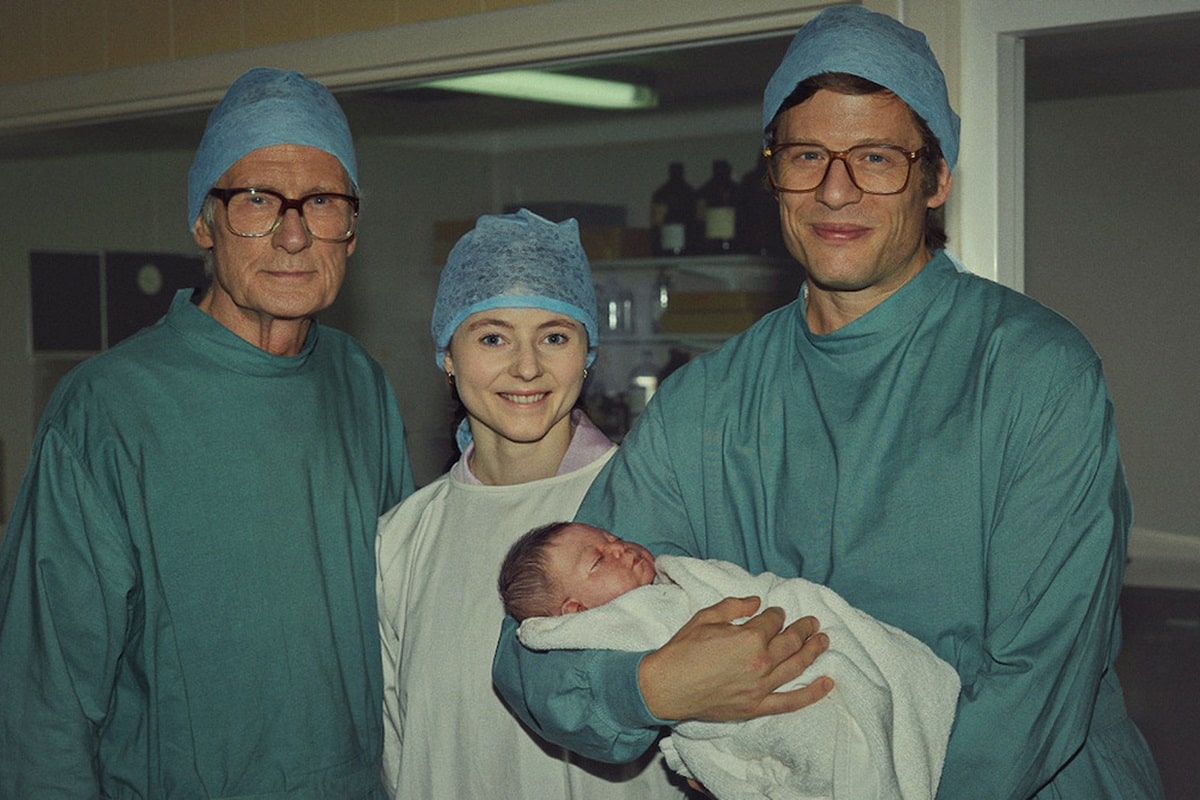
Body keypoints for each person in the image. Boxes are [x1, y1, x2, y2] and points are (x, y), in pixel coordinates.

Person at [494, 7, 1166, 799]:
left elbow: (1039, 676)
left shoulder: (1031, 372)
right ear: (771, 173)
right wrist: (653, 689)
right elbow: (532, 648)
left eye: (876, 157)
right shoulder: (707, 404)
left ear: (936, 177)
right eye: (807, 155)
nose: (835, 190)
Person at [0, 67, 414, 797]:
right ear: (203, 221)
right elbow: (42, 710)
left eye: (320, 201)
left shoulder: (360, 383)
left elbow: (402, 625)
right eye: (255, 200)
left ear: (350, 230)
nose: (292, 234)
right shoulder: (106, 412)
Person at [376, 209, 683, 798]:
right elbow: (398, 747)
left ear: (588, 354)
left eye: (555, 337)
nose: (526, 366)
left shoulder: (649, 503)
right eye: (492, 337)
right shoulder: (402, 541)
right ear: (447, 353)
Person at [501, 520, 959, 800]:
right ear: (575, 613)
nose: (620, 548)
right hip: (735, 725)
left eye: (614, 538)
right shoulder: (613, 625)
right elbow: (540, 643)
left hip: (797, 654)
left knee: (851, 720)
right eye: (599, 560)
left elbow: (752, 592)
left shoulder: (677, 580)